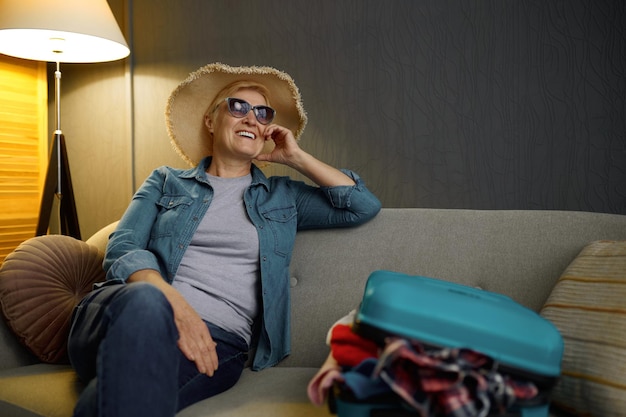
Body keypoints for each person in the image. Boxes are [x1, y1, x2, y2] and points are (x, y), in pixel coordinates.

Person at [67, 62, 381, 417]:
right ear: (211, 121)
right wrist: (175, 305)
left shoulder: (282, 197)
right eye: (238, 107)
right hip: (128, 311)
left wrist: (296, 158)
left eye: (262, 114)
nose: (251, 118)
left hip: (218, 340)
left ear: (267, 131)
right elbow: (123, 247)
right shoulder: (166, 180)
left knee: (126, 392)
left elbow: (362, 206)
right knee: (146, 304)